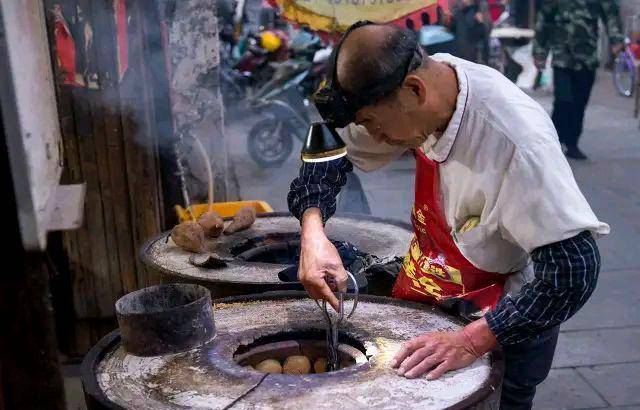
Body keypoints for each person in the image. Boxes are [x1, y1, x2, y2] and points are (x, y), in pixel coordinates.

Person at [288, 21, 609, 409]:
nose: (375, 137)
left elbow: (573, 271)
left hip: (509, 316)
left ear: (414, 91)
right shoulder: (420, 83)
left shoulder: (516, 143)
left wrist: (473, 340)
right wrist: (313, 233)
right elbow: (330, 147)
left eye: (373, 123)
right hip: (436, 284)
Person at [533, 1, 624, 160]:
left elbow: (610, 13)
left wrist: (616, 40)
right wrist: (540, 51)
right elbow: (544, 20)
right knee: (563, 101)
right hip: (563, 57)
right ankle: (554, 141)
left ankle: (572, 143)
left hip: (586, 57)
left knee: (579, 103)